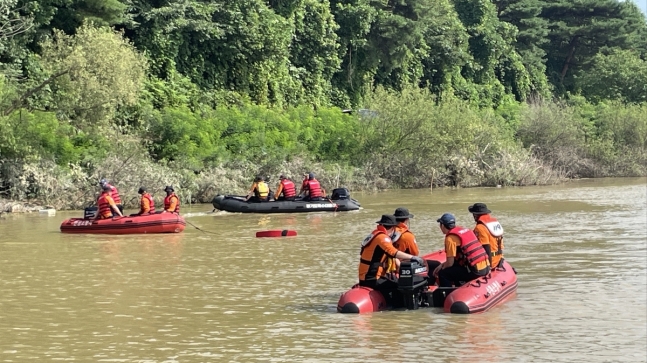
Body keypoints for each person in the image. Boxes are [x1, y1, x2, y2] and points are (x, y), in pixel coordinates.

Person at [359, 214, 425, 306]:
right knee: (402, 286)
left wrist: (402, 268)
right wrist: (412, 257)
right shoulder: (383, 238)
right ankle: (399, 308)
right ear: (393, 227)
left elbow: (391, 256)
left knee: (396, 281)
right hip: (373, 279)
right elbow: (393, 252)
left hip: (365, 277)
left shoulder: (375, 234)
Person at [432, 213, 490, 288]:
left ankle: (446, 295)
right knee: (455, 267)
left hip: (475, 271)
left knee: (443, 274)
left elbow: (450, 263)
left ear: (442, 225)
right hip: (486, 267)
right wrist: (442, 264)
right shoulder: (465, 231)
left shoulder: (450, 239)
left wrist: (441, 268)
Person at [468, 202, 505, 268]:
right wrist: (501, 258)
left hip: (491, 261)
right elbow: (500, 243)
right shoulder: (494, 223)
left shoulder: (480, 227)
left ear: (475, 215)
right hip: (498, 259)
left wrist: (489, 266)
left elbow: (486, 247)